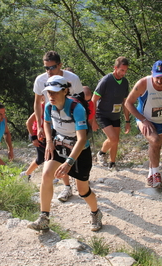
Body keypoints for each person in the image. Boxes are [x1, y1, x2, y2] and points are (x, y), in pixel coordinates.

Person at [27, 75, 102, 232]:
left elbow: (82, 139)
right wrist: (48, 142)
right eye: (48, 92)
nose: (51, 96)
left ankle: (95, 212)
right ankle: (44, 218)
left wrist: (69, 162)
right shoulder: (48, 107)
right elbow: (47, 123)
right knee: (46, 174)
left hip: (79, 151)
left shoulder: (77, 109)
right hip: (59, 145)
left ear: (65, 91)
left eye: (55, 92)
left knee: (83, 191)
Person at [33, 51, 83, 202]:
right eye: (46, 68)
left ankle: (82, 185)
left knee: (77, 164)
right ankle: (66, 187)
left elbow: (81, 100)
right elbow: (37, 103)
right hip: (52, 120)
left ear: (60, 65)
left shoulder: (72, 78)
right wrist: (40, 124)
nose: (48, 71)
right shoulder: (40, 80)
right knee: (58, 154)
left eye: (52, 67)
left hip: (72, 122)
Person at [125, 60, 162, 188]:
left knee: (156, 147)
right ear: (152, 73)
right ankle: (156, 175)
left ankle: (151, 175)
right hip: (144, 119)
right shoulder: (143, 83)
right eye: (156, 77)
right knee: (155, 141)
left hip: (161, 120)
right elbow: (128, 103)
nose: (159, 80)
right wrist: (143, 120)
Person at [92, 56, 131, 170]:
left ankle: (112, 163)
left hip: (116, 115)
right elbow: (93, 100)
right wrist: (93, 120)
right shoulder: (106, 80)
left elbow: (125, 102)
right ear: (115, 68)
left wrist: (127, 120)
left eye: (125, 71)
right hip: (102, 114)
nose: (124, 73)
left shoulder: (125, 82)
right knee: (113, 138)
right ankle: (102, 153)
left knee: (116, 140)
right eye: (122, 70)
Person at [20, 97, 46, 181]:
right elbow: (28, 122)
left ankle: (25, 174)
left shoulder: (51, 107)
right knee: (50, 157)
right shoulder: (41, 107)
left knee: (40, 159)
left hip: (43, 137)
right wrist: (33, 138)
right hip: (37, 136)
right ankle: (49, 177)